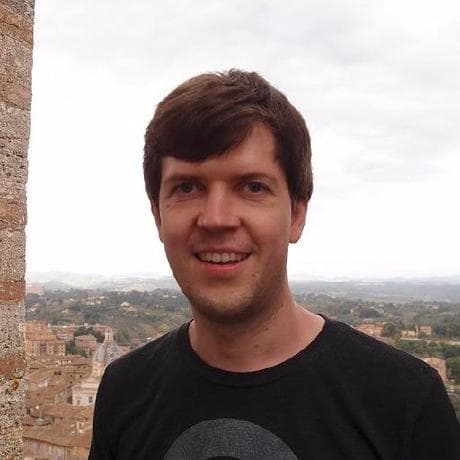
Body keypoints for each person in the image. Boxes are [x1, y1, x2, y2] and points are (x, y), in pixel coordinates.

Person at [89, 69, 459, 459]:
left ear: (297, 214)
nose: (216, 219)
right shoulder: (123, 391)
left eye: (252, 186)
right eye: (187, 187)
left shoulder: (404, 403)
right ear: (158, 217)